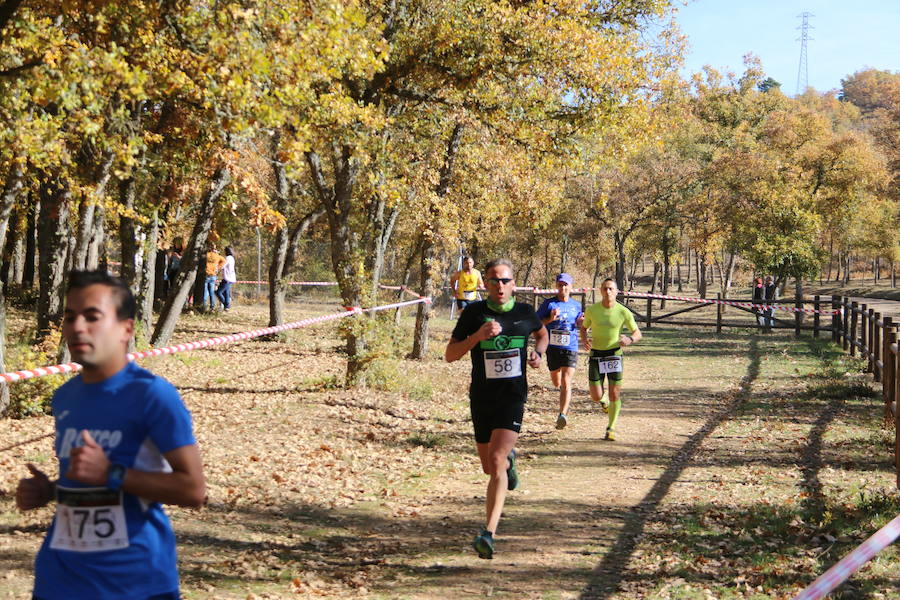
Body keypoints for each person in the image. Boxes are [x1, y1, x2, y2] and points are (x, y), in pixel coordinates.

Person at [16, 270, 206, 600]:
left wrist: (111, 472)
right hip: (59, 579)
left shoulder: (152, 395)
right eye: (70, 317)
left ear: (125, 329)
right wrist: (49, 491)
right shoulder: (66, 397)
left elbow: (193, 491)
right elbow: (85, 485)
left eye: (92, 317)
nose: (77, 327)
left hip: (134, 582)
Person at [445, 258, 548, 559]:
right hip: (481, 396)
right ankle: (509, 462)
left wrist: (539, 353)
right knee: (490, 467)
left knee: (496, 456)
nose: (499, 286)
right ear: (484, 284)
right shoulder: (474, 313)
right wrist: (477, 337)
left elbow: (542, 334)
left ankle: (488, 532)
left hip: (512, 395)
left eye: (505, 280)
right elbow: (450, 355)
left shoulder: (525, 312)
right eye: (493, 280)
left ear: (514, 284)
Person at [578, 277, 642, 442]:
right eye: (605, 289)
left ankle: (611, 428)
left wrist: (629, 340)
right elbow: (584, 328)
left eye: (611, 289)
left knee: (615, 393)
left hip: (614, 354)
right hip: (596, 355)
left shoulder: (623, 311)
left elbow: (637, 333)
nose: (607, 292)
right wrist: (584, 340)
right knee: (595, 395)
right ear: (600, 291)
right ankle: (603, 401)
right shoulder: (593, 310)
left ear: (617, 292)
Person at [536, 273, 584, 430]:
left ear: (571, 287)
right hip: (553, 348)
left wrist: (581, 323)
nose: (563, 288)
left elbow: (579, 323)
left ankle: (562, 414)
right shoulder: (548, 304)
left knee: (566, 381)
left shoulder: (576, 305)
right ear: (556, 286)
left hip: (570, 347)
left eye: (566, 285)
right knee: (556, 382)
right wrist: (549, 319)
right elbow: (536, 324)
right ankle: (562, 399)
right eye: (560, 285)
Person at [204, 244, 225, 311]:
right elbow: (224, 261)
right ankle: (212, 306)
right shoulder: (217, 256)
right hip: (213, 275)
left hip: (206, 274)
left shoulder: (206, 255)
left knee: (205, 291)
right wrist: (218, 267)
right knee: (211, 292)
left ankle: (203, 305)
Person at [215, 246, 236, 311]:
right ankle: (226, 307)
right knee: (226, 293)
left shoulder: (228, 258)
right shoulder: (232, 258)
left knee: (218, 292)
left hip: (227, 278)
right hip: (231, 278)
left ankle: (226, 305)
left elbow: (222, 266)